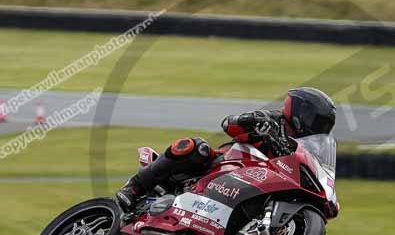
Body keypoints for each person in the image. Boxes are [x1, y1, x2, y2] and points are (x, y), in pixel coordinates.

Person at [115, 87, 336, 212]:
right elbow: (229, 125)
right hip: (225, 168)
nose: (317, 125)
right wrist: (250, 120)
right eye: (316, 119)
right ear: (301, 111)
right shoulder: (271, 121)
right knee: (196, 147)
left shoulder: (305, 150)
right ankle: (134, 187)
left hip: (255, 188)